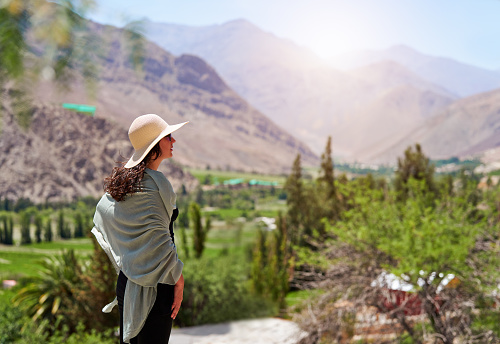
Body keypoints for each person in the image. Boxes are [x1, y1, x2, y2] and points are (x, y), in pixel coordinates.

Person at [91, 114, 188, 344]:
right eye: (169, 137)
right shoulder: (157, 184)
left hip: (128, 280)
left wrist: (127, 252)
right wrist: (179, 278)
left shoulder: (128, 183)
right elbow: (161, 241)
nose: (173, 141)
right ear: (156, 145)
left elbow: (104, 209)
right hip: (159, 285)